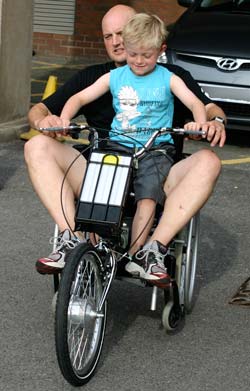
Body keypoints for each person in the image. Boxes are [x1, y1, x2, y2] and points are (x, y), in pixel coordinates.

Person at [24, 4, 226, 278]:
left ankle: (151, 249)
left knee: (209, 162)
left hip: (158, 166)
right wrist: (47, 122)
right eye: (109, 36)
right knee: (35, 146)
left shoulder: (170, 77)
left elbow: (208, 107)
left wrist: (213, 123)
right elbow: (42, 110)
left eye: (121, 33)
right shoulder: (98, 76)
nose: (116, 41)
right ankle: (71, 239)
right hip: (104, 166)